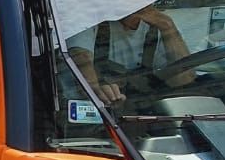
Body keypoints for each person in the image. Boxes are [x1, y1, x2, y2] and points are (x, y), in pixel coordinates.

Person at [65, 6, 193, 105]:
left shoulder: (160, 24)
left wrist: (168, 27)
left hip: (143, 112)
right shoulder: (91, 20)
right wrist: (97, 90)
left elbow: (183, 80)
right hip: (95, 110)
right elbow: (81, 58)